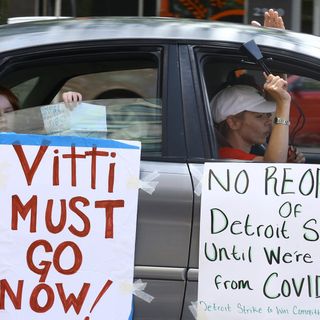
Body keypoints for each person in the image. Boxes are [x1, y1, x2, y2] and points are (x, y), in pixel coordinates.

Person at [212, 74, 305, 163]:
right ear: (233, 122)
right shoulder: (226, 155)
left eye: (267, 115)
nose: (268, 122)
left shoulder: (249, 153)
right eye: (259, 116)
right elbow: (273, 166)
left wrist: (287, 159)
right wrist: (284, 102)